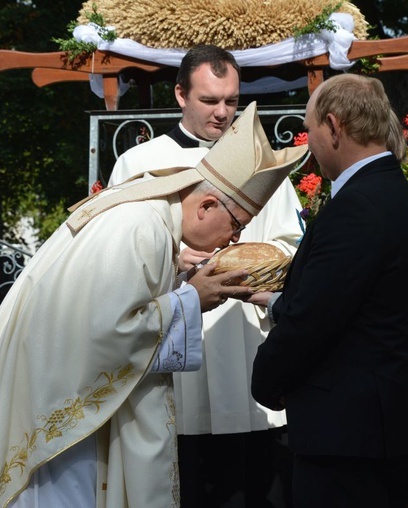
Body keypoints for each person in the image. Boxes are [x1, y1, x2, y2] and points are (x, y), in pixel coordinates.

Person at [0, 102, 307, 508]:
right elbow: (106, 331)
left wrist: (181, 287)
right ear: (207, 205)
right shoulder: (141, 227)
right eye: (236, 225)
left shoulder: (150, 217)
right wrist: (193, 298)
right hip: (64, 428)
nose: (233, 239)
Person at [109, 44, 303, 507]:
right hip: (172, 335)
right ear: (180, 95)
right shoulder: (140, 164)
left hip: (242, 343)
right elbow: (115, 251)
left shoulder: (264, 164)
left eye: (231, 101)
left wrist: (241, 262)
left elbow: (292, 246)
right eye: (209, 100)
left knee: (254, 486)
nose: (222, 112)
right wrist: (181, 258)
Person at [250, 73, 408, 508]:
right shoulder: (393, 192)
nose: (308, 144)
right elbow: (359, 305)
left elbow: (315, 321)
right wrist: (277, 302)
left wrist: (266, 380)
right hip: (379, 425)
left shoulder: (357, 206)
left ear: (333, 127)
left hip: (352, 438)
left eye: (310, 131)